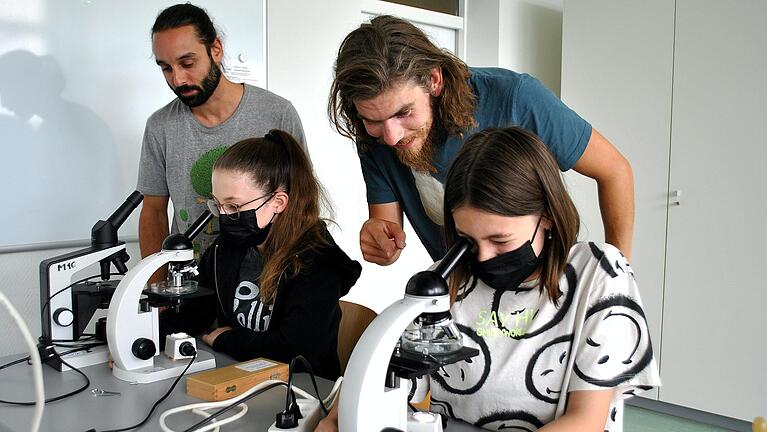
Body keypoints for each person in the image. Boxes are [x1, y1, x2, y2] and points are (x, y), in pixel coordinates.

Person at [316, 127, 658, 431]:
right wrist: (337, 418)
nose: (482, 258)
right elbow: (382, 374)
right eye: (468, 241)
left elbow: (585, 420)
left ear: (548, 216)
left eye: (500, 240)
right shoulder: (446, 279)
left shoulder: (597, 274)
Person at [328, 15, 634, 266]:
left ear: (434, 80)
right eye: (373, 120)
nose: (392, 136)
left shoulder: (517, 98)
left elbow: (615, 171)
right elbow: (388, 230)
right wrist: (378, 238)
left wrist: (616, 273)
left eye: (404, 112)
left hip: (547, 287)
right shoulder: (376, 136)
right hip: (465, 296)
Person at [161, 130, 361, 380]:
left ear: (278, 202)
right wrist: (138, 335)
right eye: (218, 204)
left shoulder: (318, 261)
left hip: (302, 391)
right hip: (240, 377)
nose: (224, 216)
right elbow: (196, 312)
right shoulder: (226, 248)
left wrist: (228, 340)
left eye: (234, 206)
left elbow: (298, 351)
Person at [138, 3, 306, 272]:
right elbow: (153, 211)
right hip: (189, 286)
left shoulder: (277, 113)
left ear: (216, 49)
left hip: (265, 282)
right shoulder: (160, 126)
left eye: (187, 63)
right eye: (166, 68)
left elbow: (301, 199)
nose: (178, 79)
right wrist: (157, 287)